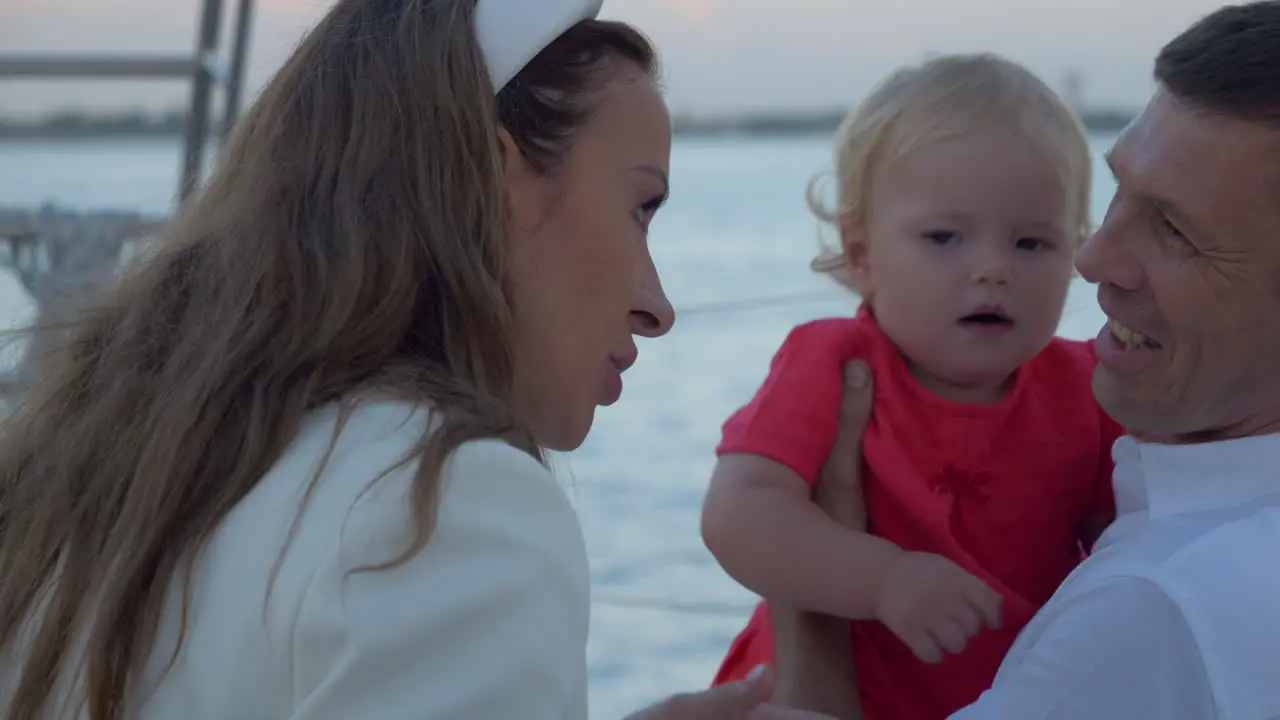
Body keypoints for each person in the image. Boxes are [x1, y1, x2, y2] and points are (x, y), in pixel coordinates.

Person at [0, 1, 842, 718]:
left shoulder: (114, 462)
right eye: (641, 207)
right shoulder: (447, 507)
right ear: (495, 173)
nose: (656, 306)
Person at [778, 2, 1280, 718]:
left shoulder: (1154, 612)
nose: (1094, 258)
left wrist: (809, 607)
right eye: (1120, 196)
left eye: (1174, 230)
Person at [699, 53, 1119, 719]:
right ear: (863, 254)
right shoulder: (832, 362)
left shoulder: (1090, 388)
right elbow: (738, 517)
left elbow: (1127, 553)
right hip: (814, 698)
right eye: (945, 237)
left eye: (1032, 244)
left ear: (1075, 253)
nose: (991, 269)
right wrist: (881, 579)